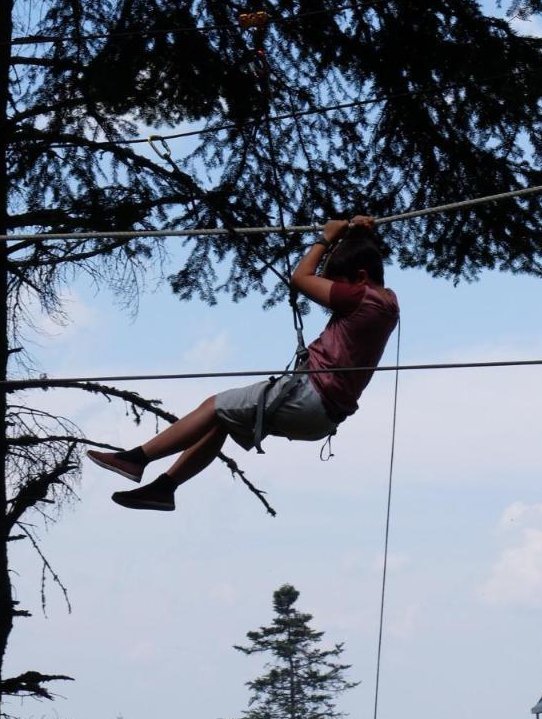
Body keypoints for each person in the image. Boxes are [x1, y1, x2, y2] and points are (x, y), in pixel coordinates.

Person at [87, 215, 399, 511]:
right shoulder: (389, 302)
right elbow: (365, 260)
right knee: (222, 419)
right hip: (324, 417)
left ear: (359, 278)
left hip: (310, 396)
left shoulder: (360, 297)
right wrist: (358, 234)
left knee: (213, 405)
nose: (333, 292)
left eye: (338, 284)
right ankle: (165, 488)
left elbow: (301, 278)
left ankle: (137, 459)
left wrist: (324, 239)